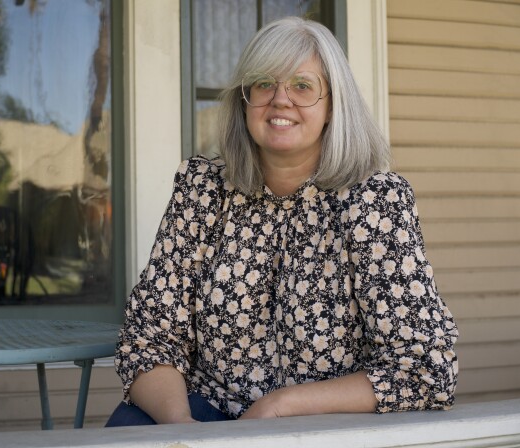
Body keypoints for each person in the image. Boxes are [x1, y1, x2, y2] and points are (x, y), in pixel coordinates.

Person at [106, 17, 458, 426]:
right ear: (245, 100)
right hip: (203, 413)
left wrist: (280, 405)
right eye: (263, 84)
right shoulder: (202, 190)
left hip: (328, 424)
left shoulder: (374, 202)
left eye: (303, 86)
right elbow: (150, 339)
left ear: (332, 107)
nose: (280, 100)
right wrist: (185, 432)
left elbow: (425, 370)